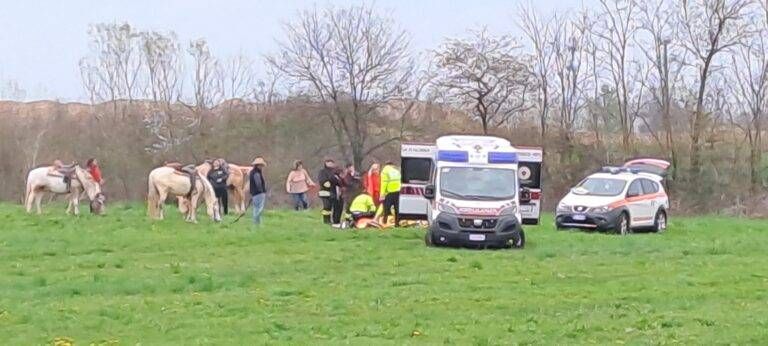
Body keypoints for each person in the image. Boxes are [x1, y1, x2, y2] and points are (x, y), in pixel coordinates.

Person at [317, 159, 343, 225]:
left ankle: (334, 221)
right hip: (324, 192)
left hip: (333, 193)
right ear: (325, 163)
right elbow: (323, 181)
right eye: (329, 163)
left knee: (335, 207)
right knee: (327, 206)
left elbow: (339, 182)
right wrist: (328, 182)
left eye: (332, 163)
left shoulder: (335, 172)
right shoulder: (322, 172)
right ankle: (326, 220)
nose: (330, 164)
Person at [380, 161, 402, 225]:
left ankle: (384, 222)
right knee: (397, 208)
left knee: (386, 208)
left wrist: (382, 195)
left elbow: (384, 183)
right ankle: (397, 223)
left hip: (389, 192)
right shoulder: (396, 171)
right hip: (398, 191)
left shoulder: (384, 171)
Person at [249, 157, 268, 225]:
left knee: (256, 208)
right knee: (259, 209)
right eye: (261, 165)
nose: (262, 167)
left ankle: (257, 223)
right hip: (259, 193)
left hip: (254, 193)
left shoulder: (252, 172)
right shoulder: (256, 173)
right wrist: (262, 191)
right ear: (258, 165)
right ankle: (257, 223)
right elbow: (258, 183)